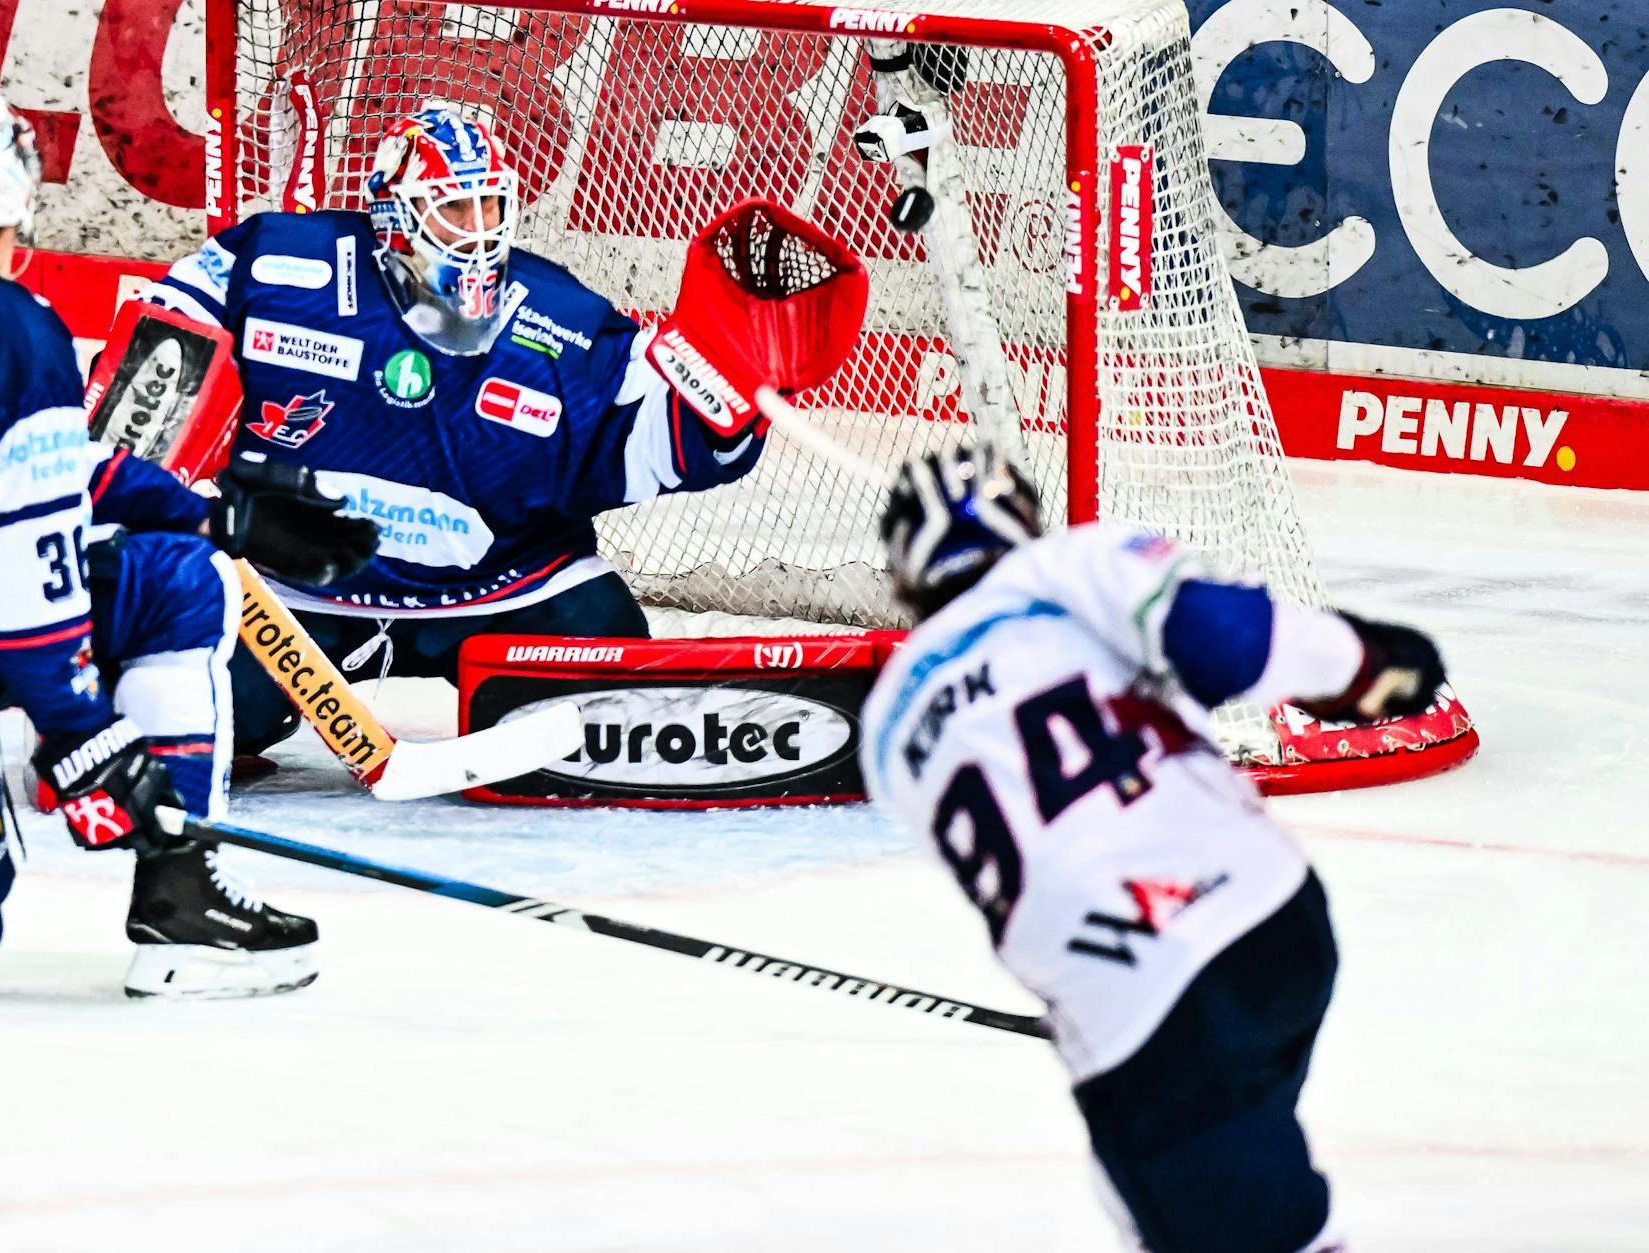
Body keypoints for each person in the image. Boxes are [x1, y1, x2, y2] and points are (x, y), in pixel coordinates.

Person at [0, 88, 374, 1001]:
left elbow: (29, 472)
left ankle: (183, 897)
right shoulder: (15, 331)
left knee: (180, 577)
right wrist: (84, 733)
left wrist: (212, 516)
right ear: (26, 185)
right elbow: (17, 582)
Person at [861, 445, 1448, 1252]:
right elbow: (1226, 638)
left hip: (1146, 1016)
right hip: (1275, 924)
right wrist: (1364, 665)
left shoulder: (887, 729)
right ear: (1025, 519)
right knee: (1180, 1196)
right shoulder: (1066, 566)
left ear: (903, 580)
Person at [142, 102, 774, 757]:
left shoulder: (562, 320)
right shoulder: (277, 267)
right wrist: (170, 490)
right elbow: (153, 361)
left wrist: (732, 387)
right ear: (395, 215)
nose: (478, 231)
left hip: (497, 590)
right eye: (454, 208)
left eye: (489, 206)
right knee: (175, 703)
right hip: (295, 598)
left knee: (607, 687)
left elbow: (671, 439)